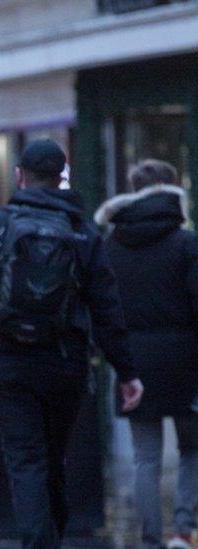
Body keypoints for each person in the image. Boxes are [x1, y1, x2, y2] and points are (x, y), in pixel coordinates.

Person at [0, 139, 144, 548]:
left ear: (20, 175)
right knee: (54, 458)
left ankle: (40, 540)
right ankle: (50, 536)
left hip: (9, 362)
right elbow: (107, 307)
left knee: (26, 460)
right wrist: (126, 370)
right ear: (61, 178)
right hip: (66, 363)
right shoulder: (83, 232)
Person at [94, 159, 198, 549]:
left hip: (133, 362)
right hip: (187, 361)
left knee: (145, 458)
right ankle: (183, 531)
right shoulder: (186, 243)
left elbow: (103, 308)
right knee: (192, 449)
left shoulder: (111, 246)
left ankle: (151, 539)